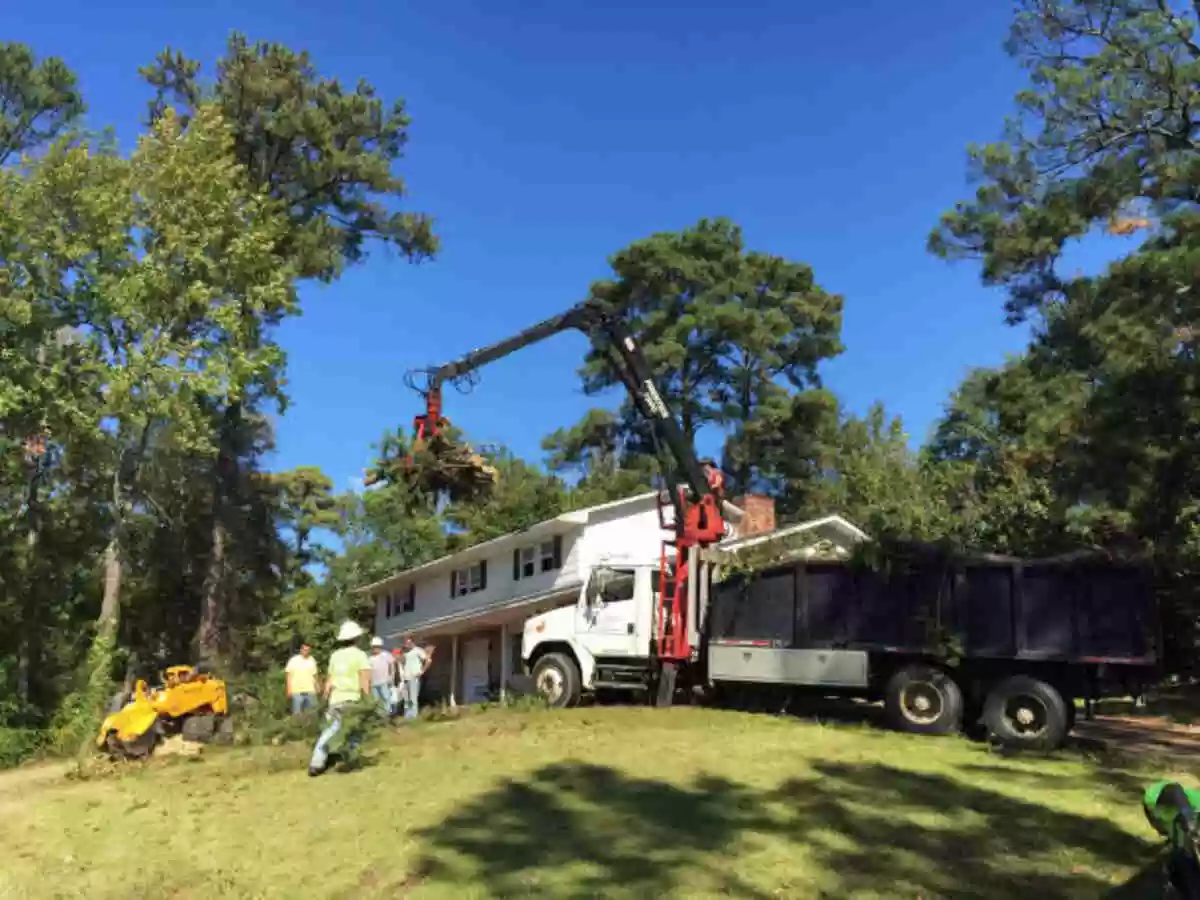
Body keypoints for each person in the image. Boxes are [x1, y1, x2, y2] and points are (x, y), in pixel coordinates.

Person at [309, 620, 372, 776]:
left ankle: (316, 762)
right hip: (352, 699)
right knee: (355, 731)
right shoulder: (360, 655)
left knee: (330, 730)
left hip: (335, 699)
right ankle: (350, 760)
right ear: (357, 638)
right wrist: (369, 699)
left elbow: (330, 680)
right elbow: (364, 679)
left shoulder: (335, 656)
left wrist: (324, 697)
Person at [400, 637, 431, 719]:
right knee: (406, 699)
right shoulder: (406, 652)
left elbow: (428, 660)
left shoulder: (418, 650)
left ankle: (414, 716)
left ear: (413, 642)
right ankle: (407, 716)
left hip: (414, 677)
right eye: (406, 643)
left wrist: (422, 671)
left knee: (413, 698)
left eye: (409, 643)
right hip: (406, 678)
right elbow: (403, 663)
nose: (407, 645)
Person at [285, 643, 319, 715]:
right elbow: (288, 675)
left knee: (311, 714)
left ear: (310, 651)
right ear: (301, 650)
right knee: (297, 715)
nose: (305, 651)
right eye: (304, 649)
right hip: (297, 692)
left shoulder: (312, 660)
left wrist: (317, 686)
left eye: (307, 650)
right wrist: (289, 689)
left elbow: (315, 675)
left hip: (310, 691)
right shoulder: (293, 660)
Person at [368, 636, 394, 714]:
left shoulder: (385, 654)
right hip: (374, 682)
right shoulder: (370, 658)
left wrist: (391, 676)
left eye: (376, 647)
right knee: (377, 700)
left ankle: (388, 713)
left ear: (380, 646)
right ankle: (379, 715)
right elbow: (369, 670)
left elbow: (391, 665)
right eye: (373, 647)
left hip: (384, 681)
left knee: (386, 697)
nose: (375, 648)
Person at [389, 647, 406, 718]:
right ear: (394, 655)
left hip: (401, 682)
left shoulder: (401, 663)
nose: (398, 655)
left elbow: (403, 672)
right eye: (397, 654)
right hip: (393, 683)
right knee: (394, 698)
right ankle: (394, 713)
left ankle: (400, 712)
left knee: (401, 697)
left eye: (399, 654)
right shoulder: (390, 663)